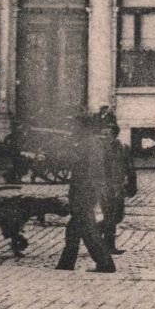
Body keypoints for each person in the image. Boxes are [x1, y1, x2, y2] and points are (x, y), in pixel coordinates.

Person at [56, 114, 114, 273]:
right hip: (85, 190)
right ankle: (66, 264)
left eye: (75, 126)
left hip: (84, 191)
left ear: (83, 128)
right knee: (74, 228)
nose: (72, 129)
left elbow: (78, 165)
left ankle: (106, 263)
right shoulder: (90, 143)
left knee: (87, 229)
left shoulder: (87, 145)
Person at [96, 111, 133, 256]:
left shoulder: (123, 148)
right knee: (110, 216)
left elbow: (129, 167)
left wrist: (131, 184)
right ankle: (109, 246)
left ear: (114, 135)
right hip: (104, 187)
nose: (104, 137)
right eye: (103, 134)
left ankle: (91, 231)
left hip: (118, 187)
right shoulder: (99, 150)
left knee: (117, 216)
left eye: (107, 135)